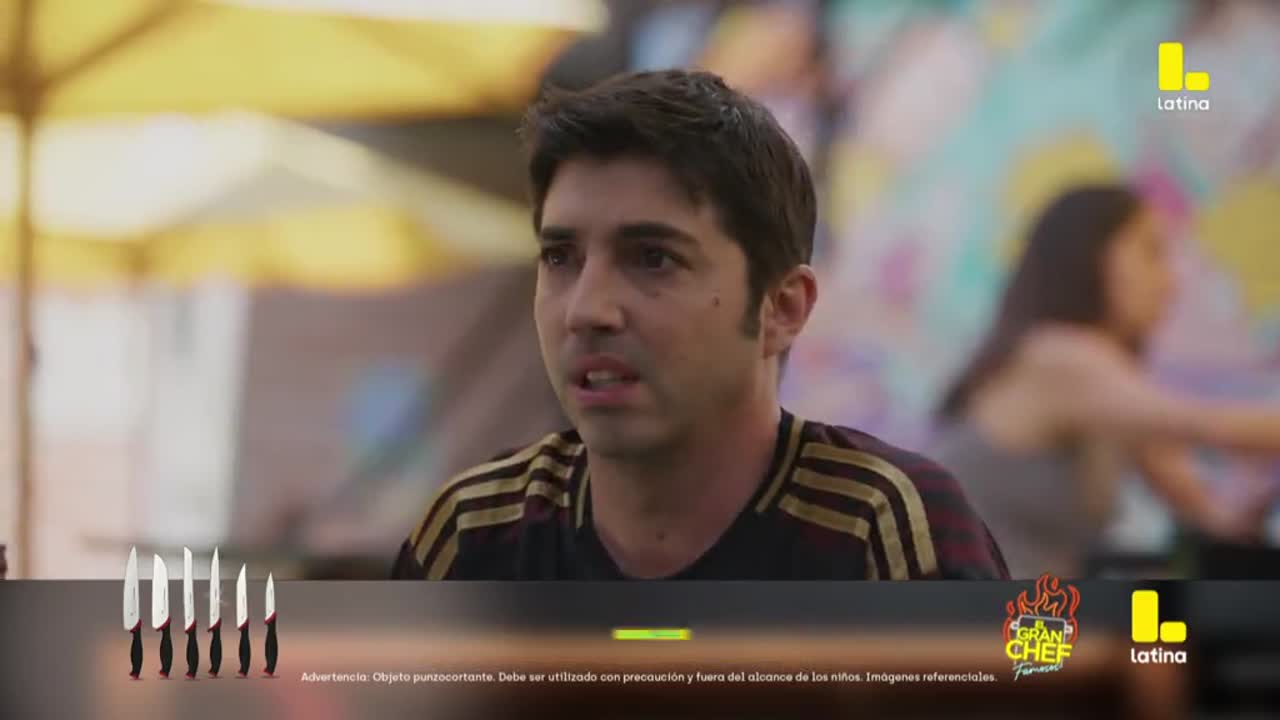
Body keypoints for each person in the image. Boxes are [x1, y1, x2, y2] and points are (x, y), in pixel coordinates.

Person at [391, 69, 1007, 580]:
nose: (586, 310)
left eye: (652, 258)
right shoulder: (476, 534)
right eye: (559, 258)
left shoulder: (884, 529)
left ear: (782, 308)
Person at [930, 184, 1280, 579]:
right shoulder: (1060, 358)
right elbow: (1210, 425)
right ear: (1092, 257)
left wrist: (1254, 496)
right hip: (966, 609)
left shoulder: (1112, 396)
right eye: (1152, 252)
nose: (1171, 283)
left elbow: (1213, 513)